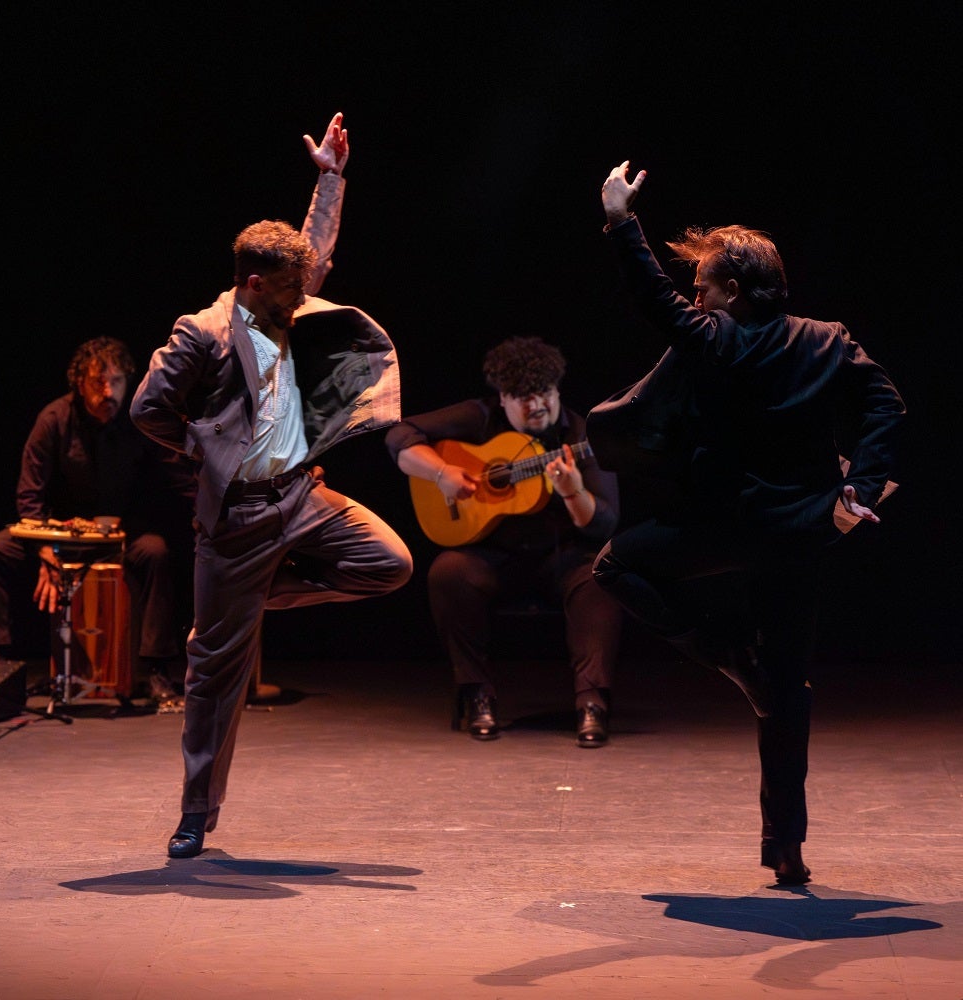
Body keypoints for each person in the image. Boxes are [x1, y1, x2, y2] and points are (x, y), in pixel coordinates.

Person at [592, 160, 905, 884]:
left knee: (615, 566)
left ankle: (732, 660)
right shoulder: (829, 339)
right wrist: (857, 488)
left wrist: (619, 221)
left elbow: (654, 300)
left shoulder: (717, 338)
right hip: (802, 530)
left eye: (703, 285)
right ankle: (786, 847)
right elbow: (888, 405)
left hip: (726, 524)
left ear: (732, 291)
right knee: (788, 687)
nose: (694, 296)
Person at [130, 113, 412, 860]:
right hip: (240, 520)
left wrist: (330, 176)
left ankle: (256, 603)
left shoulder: (281, 300)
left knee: (388, 564)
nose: (303, 295)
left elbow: (315, 251)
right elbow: (148, 410)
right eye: (289, 288)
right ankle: (196, 813)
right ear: (252, 283)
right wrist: (207, 455)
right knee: (214, 679)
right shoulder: (202, 330)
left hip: (300, 497)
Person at [385, 336, 624, 747]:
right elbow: (400, 435)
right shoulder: (480, 418)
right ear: (502, 399)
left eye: (544, 394)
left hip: (561, 559)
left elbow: (604, 523)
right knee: (448, 572)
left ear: (557, 390)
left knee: (602, 578)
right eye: (522, 398)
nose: (537, 407)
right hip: (493, 558)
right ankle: (476, 693)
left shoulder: (584, 435)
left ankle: (591, 702)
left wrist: (572, 492)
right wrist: (442, 473)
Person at [0, 336, 196, 698]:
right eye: (98, 382)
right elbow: (29, 495)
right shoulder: (54, 420)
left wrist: (214, 507)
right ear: (79, 383)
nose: (107, 391)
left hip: (116, 536)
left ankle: (156, 668)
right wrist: (46, 550)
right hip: (57, 534)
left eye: (116, 382)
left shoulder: (139, 422)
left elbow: (178, 476)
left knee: (156, 552)